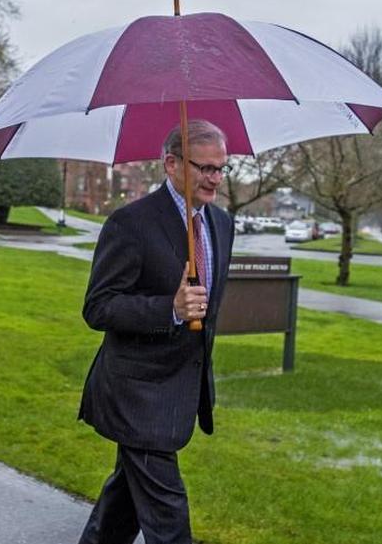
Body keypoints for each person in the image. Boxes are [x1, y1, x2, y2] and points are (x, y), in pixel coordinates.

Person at [77, 119, 235, 544]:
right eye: (205, 168)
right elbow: (98, 307)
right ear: (171, 164)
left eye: (221, 168)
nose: (215, 178)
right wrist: (170, 308)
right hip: (138, 395)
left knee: (122, 506)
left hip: (181, 390)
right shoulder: (130, 224)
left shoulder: (221, 225)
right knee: (168, 520)